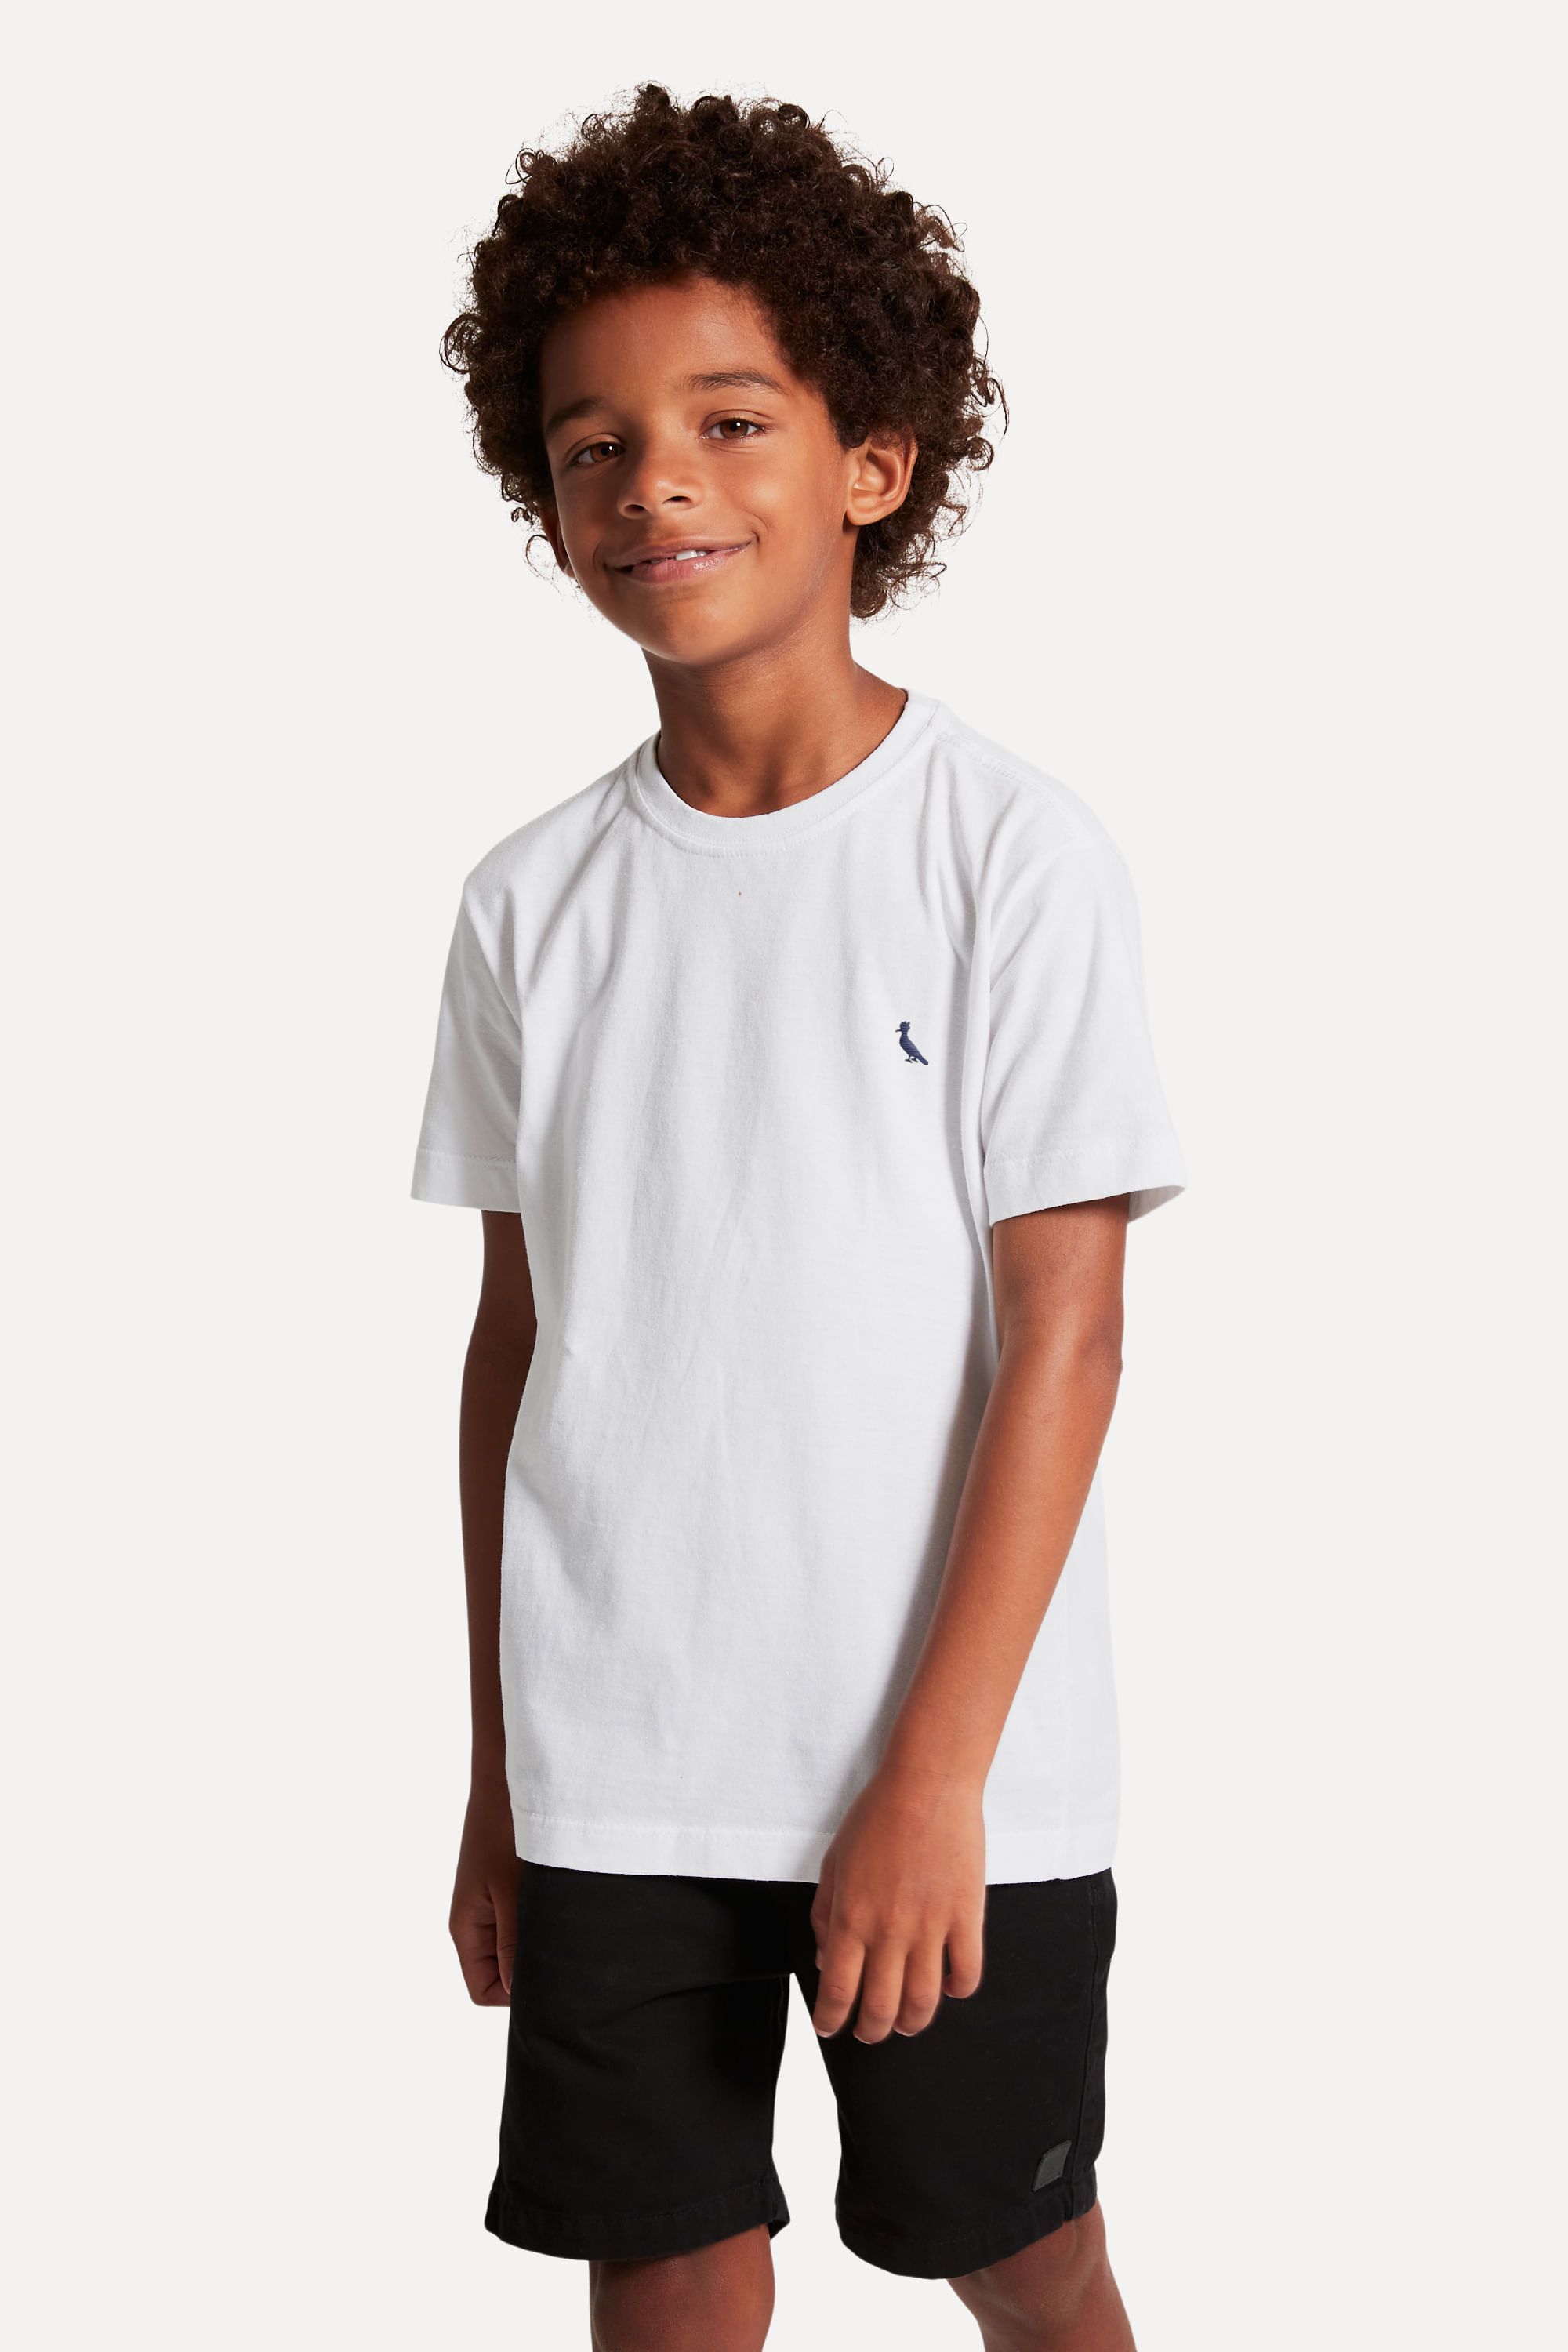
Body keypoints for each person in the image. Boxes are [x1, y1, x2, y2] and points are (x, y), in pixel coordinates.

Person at [412, 85, 1185, 2352]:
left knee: (1014, 2254)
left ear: (876, 461)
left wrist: (935, 1778)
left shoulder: (1009, 859)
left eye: (729, 421)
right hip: (619, 1756)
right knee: (666, 2271)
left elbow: (1068, 1341)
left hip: (953, 1766)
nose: (654, 479)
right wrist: (503, 1777)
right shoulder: (527, 906)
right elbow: (517, 1349)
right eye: (594, 443)